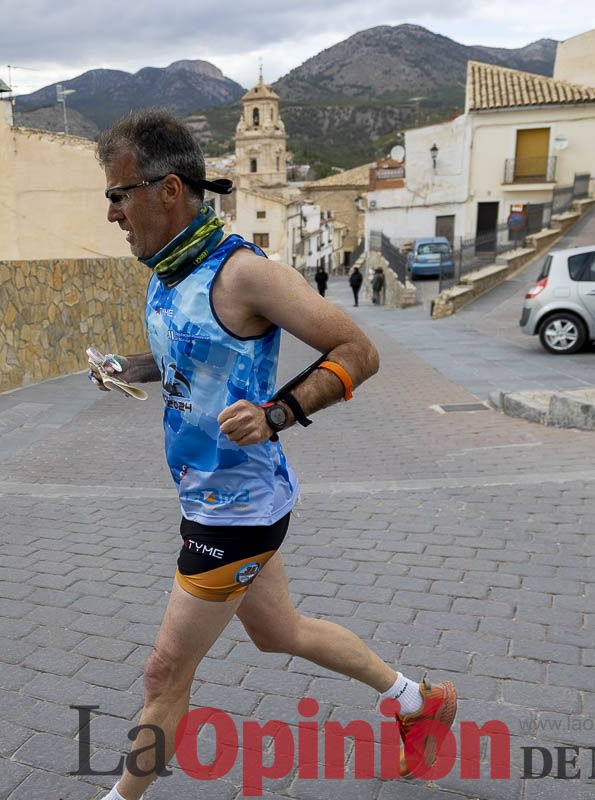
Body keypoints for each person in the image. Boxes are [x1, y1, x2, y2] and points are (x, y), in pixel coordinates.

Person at [87, 109, 456, 800]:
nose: (112, 213)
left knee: (166, 672)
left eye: (119, 194)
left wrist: (278, 413)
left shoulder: (244, 273)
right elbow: (188, 363)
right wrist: (129, 366)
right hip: (216, 497)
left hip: (234, 514)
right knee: (280, 631)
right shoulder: (167, 272)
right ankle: (417, 698)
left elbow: (359, 352)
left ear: (168, 190)